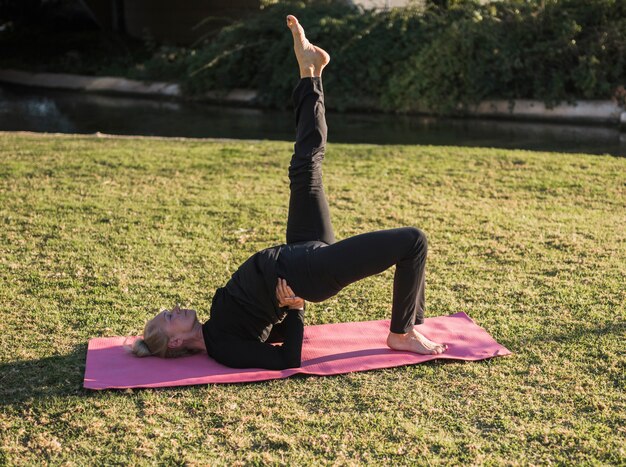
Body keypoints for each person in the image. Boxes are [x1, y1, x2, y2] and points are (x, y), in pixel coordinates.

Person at [131, 15, 447, 370]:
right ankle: (403, 332)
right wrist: (295, 308)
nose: (174, 309)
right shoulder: (223, 347)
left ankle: (310, 72)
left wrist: (282, 310)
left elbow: (268, 326)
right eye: (168, 317)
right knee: (413, 241)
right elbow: (286, 359)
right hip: (306, 272)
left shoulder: (216, 321)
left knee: (305, 167)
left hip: (297, 251)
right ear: (175, 341)